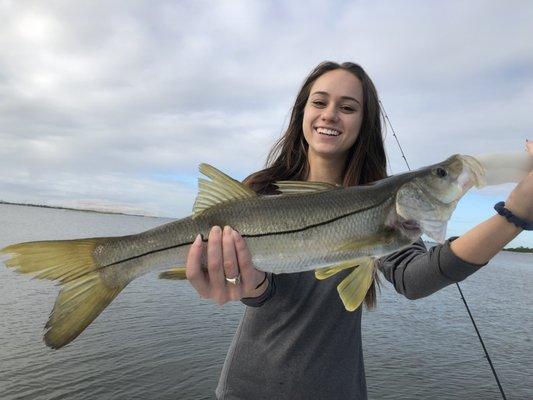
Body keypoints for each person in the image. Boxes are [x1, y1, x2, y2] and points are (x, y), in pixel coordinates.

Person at [185, 61, 533, 399]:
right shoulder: (259, 194)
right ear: (302, 113)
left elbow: (416, 277)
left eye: (348, 107)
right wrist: (246, 285)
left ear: (363, 123)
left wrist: (515, 214)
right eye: (319, 102)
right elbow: (260, 292)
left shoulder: (386, 208)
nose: (330, 114)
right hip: (245, 388)